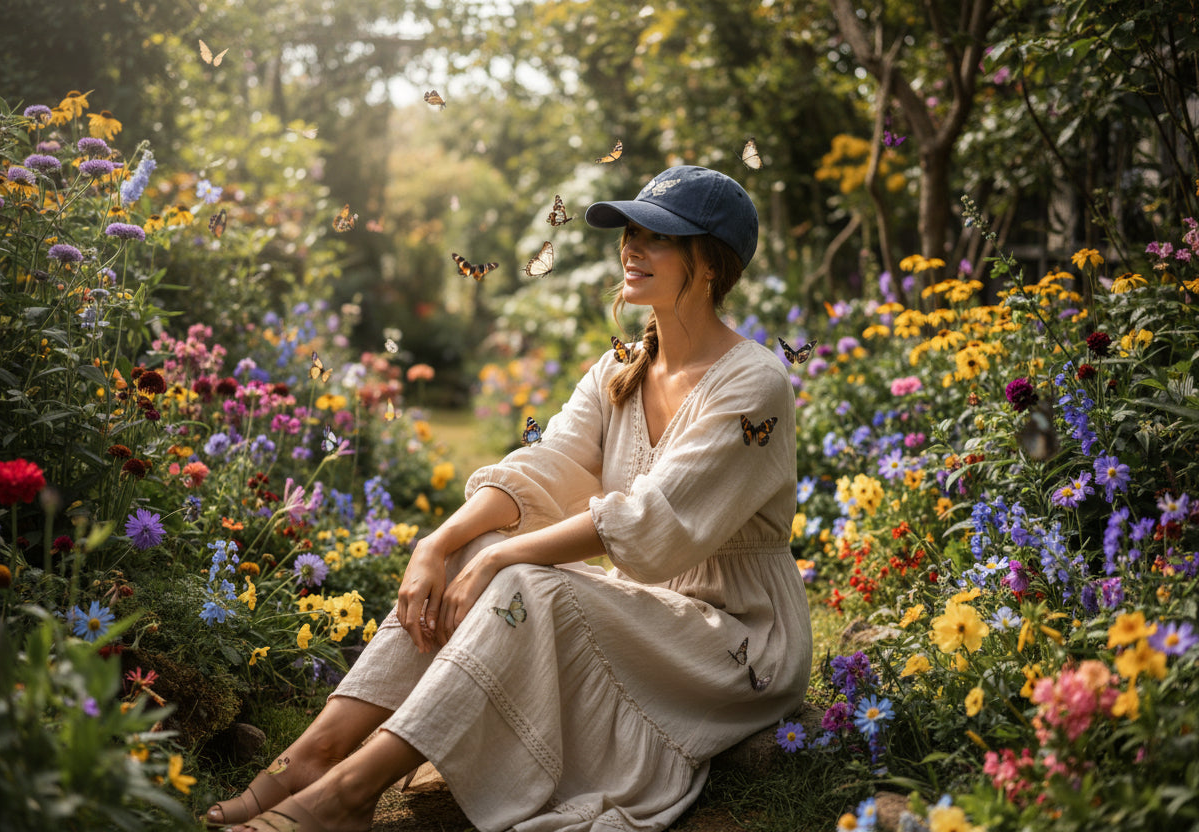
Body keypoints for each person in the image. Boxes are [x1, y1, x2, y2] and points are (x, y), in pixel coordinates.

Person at [206, 165, 812, 832]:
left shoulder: (754, 384)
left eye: (657, 237)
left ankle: (349, 791)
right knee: (480, 542)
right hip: (653, 615)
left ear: (711, 262)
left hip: (736, 641)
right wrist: (439, 545)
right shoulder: (619, 368)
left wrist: (498, 562)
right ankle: (314, 756)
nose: (632, 248)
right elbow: (545, 469)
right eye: (630, 232)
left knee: (522, 574)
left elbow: (648, 526)